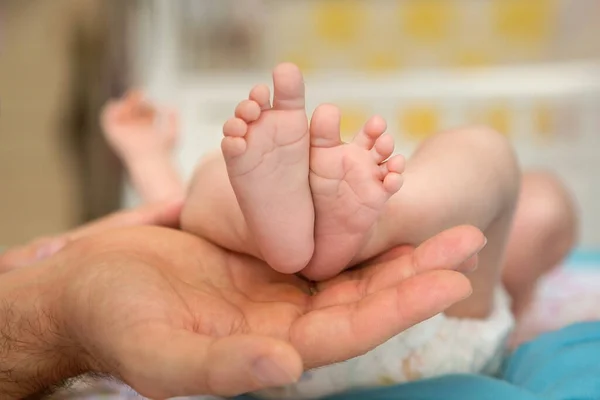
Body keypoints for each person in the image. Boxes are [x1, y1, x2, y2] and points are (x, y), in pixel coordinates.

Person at [101, 63, 578, 398]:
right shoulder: (504, 294)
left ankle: (269, 229)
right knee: (485, 151)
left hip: (264, 348)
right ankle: (378, 224)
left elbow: (172, 210)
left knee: (208, 185)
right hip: (430, 347)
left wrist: (147, 156)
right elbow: (525, 217)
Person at [0, 202, 484, 400]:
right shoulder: (478, 336)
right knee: (493, 166)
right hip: (376, 319)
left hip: (258, 316)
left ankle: (333, 225)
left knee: (205, 199)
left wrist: (65, 280)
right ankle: (356, 224)